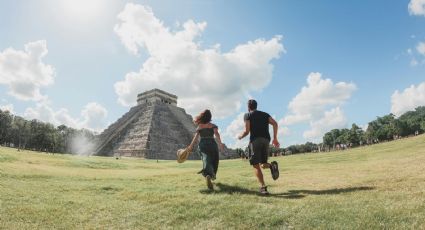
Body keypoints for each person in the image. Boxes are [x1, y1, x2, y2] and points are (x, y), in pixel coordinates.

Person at [238, 99, 280, 195]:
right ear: (256, 106)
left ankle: (263, 187)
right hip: (266, 140)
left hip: (255, 141)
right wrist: (275, 138)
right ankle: (271, 166)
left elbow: (247, 131)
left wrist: (240, 136)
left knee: (256, 165)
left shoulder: (247, 115)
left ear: (248, 107)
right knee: (263, 164)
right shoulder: (265, 114)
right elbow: (275, 123)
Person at [188, 109, 224, 190]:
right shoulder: (213, 125)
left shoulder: (200, 126)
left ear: (203, 116)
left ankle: (207, 174)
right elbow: (217, 134)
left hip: (203, 144)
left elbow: (196, 137)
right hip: (212, 143)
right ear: (210, 117)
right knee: (214, 160)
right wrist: (220, 144)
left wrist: (191, 146)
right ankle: (210, 175)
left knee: (206, 159)